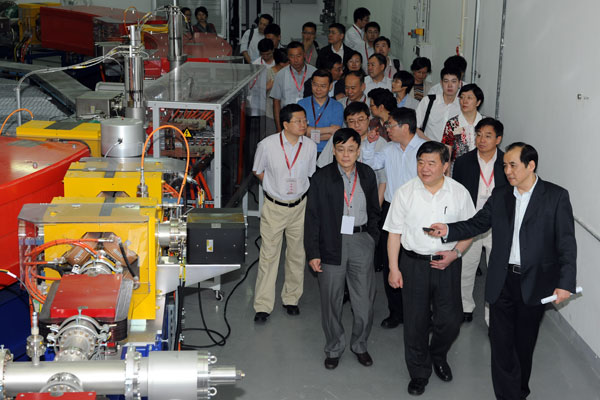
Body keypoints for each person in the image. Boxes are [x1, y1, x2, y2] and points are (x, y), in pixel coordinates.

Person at [427, 142, 577, 400]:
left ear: (531, 165)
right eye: (505, 165)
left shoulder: (555, 196)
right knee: (501, 344)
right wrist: (449, 230)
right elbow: (477, 223)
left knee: (523, 345)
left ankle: (520, 391)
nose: (507, 171)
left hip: (535, 282)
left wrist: (565, 283)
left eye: (513, 165)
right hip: (502, 279)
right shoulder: (501, 195)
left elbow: (566, 243)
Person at [384, 141, 474, 396]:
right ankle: (419, 372)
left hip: (447, 263)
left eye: (432, 163)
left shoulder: (459, 193)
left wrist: (455, 254)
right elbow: (394, 233)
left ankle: (438, 354)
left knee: (451, 320)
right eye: (421, 162)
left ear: (445, 166)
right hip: (414, 264)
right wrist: (393, 268)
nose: (424, 168)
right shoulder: (405, 192)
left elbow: (469, 230)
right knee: (415, 322)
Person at [305, 127, 380, 370]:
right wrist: (313, 253)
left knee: (364, 301)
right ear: (334, 151)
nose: (346, 155)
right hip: (331, 242)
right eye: (341, 149)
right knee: (331, 301)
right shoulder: (321, 177)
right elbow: (312, 217)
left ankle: (360, 345)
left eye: (351, 149)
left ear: (358, 151)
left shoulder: (367, 174)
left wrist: (372, 238)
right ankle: (334, 347)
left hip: (361, 240)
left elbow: (375, 210)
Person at [361, 107, 426, 328]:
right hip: (391, 209)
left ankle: (418, 313)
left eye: (390, 125)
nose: (386, 128)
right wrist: (370, 144)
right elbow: (370, 164)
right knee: (392, 261)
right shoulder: (389, 149)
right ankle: (396, 312)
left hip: (418, 211)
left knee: (416, 263)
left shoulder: (424, 150)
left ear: (405, 127)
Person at [252, 104, 317, 323]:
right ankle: (263, 305)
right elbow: (257, 170)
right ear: (286, 124)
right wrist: (274, 187)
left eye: (305, 120)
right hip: (274, 207)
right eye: (298, 121)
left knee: (297, 254)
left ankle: (291, 299)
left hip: (300, 206)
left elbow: (310, 173)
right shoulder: (267, 145)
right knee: (269, 255)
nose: (303, 124)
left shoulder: (309, 146)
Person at [451, 118, 508, 322]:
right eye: (479, 135)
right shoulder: (463, 162)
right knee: (466, 267)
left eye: (488, 136)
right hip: (472, 223)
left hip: (498, 224)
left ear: (498, 139)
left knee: (497, 271)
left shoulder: (506, 162)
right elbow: (456, 194)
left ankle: (492, 315)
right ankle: (465, 307)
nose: (482, 140)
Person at [318, 101, 385, 168]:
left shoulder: (380, 142)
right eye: (351, 121)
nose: (356, 125)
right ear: (346, 122)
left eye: (361, 120)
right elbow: (322, 165)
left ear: (369, 119)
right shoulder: (338, 137)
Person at [271, 41, 317, 131]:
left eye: (298, 56)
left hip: (309, 118)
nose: (296, 60)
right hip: (288, 119)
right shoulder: (281, 75)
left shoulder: (314, 73)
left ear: (304, 55)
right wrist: (279, 128)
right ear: (288, 57)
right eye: (292, 56)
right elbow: (276, 102)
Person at [298, 69, 344, 153]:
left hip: (328, 152)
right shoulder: (301, 104)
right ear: (311, 84)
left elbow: (334, 134)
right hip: (304, 151)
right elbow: (301, 131)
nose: (318, 89)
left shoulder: (337, 106)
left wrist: (309, 132)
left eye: (323, 86)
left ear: (330, 86)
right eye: (315, 85)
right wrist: (329, 129)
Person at [441, 83, 484, 167]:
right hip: (458, 169)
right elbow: (447, 152)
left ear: (478, 102)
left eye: (469, 98)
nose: (464, 101)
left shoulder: (485, 123)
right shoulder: (452, 124)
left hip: (482, 168)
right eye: (462, 97)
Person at [415, 66, 461, 142]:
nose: (449, 85)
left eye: (453, 81)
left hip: (452, 148)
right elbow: (414, 127)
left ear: (459, 83)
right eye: (446, 81)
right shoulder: (428, 101)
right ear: (441, 83)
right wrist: (431, 143)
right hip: (428, 147)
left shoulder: (462, 105)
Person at [247, 39, 276, 119]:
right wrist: (264, 88)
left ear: (273, 50)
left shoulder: (278, 63)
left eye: (268, 54)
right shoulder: (255, 65)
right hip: (259, 105)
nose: (265, 57)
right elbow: (250, 89)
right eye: (263, 54)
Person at [265, 49, 289, 135]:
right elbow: (257, 92)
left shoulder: (289, 73)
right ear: (282, 63)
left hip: (286, 113)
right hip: (270, 114)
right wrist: (267, 87)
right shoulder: (268, 73)